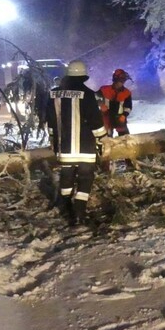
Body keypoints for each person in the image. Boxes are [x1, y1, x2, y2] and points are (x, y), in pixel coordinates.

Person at [46, 60, 108, 227]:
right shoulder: (87, 94)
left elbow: (50, 121)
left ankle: (66, 208)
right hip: (85, 148)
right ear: (82, 76)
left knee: (66, 178)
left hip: (64, 148)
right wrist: (102, 137)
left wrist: (53, 138)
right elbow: (95, 119)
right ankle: (79, 213)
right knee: (85, 179)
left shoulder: (54, 94)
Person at [97, 69, 133, 137]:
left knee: (125, 137)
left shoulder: (126, 93)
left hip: (119, 117)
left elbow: (128, 107)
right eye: (121, 81)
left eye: (123, 81)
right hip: (106, 116)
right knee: (107, 137)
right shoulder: (104, 89)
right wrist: (101, 104)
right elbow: (95, 98)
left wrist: (124, 115)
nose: (122, 83)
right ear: (115, 79)